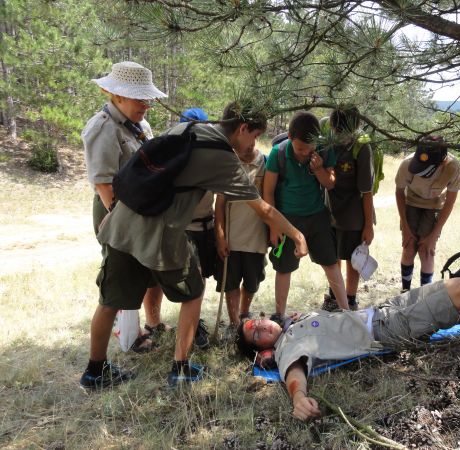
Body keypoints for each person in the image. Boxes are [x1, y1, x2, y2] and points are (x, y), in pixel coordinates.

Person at [237, 195, 460, 421]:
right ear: (263, 352)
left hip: (386, 308)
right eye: (256, 335)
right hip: (389, 329)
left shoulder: (296, 321)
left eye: (256, 322)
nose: (261, 326)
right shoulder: (286, 350)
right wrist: (298, 398)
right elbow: (295, 376)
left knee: (454, 284)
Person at [79, 100, 308, 389]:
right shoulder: (222, 156)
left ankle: (94, 372)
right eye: (253, 135)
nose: (253, 144)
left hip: (123, 222)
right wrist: (297, 235)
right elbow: (262, 209)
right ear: (242, 128)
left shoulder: (189, 127)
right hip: (160, 230)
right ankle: (181, 368)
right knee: (194, 292)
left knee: (110, 300)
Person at [82, 61, 169, 352]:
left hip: (143, 212)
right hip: (117, 213)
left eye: (148, 97)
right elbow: (104, 186)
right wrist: (126, 227)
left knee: (145, 273)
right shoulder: (103, 128)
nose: (147, 104)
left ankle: (143, 329)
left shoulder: (140, 124)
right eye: (139, 97)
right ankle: (97, 368)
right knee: (118, 288)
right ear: (116, 95)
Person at [263, 111, 349, 318]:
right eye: (300, 148)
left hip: (317, 215)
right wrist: (274, 226)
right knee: (284, 268)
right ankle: (279, 315)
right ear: (291, 137)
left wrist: (319, 168)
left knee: (330, 262)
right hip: (286, 219)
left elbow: (330, 183)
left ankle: (347, 311)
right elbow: (268, 191)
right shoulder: (279, 153)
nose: (304, 152)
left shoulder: (323, 150)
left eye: (309, 147)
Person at [321, 106, 375, 312]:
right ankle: (335, 296)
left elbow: (366, 191)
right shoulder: (327, 144)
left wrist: (368, 225)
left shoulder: (361, 148)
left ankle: (350, 299)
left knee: (354, 258)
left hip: (355, 214)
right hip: (331, 210)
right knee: (332, 257)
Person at [395, 136, 460, 291]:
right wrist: (405, 228)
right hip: (411, 202)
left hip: (435, 205)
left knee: (427, 251)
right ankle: (405, 290)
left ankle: (424, 294)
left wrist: (434, 233)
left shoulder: (453, 168)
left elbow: (450, 202)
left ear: (443, 161)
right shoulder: (407, 164)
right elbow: (399, 192)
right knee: (409, 247)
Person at [214, 144, 268, 331]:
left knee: (253, 282)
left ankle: (244, 313)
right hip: (231, 237)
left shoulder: (265, 163)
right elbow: (219, 204)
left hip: (256, 236)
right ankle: (234, 322)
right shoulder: (228, 164)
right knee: (230, 282)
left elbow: (270, 199)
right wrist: (220, 236)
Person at [180, 107, 215, 350]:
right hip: (184, 230)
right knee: (190, 282)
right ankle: (185, 332)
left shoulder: (212, 157)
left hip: (207, 227)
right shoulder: (175, 158)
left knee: (200, 280)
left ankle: (194, 325)